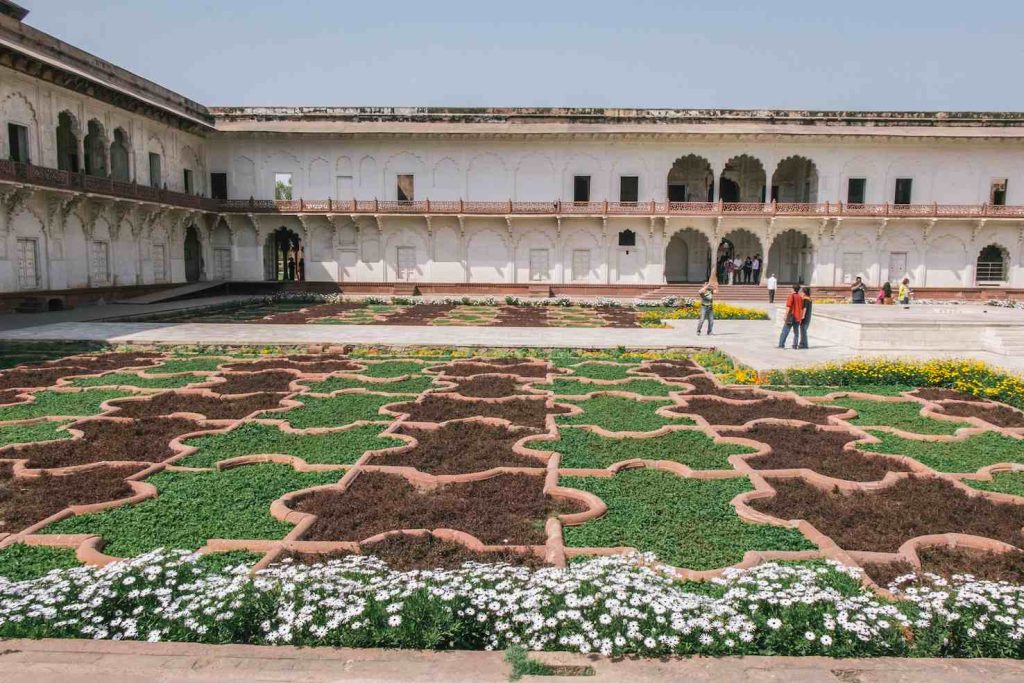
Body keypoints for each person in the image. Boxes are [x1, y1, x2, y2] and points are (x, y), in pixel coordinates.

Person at [778, 284, 804, 349]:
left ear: (793, 289)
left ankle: (781, 344)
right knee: (796, 332)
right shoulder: (800, 297)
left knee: (785, 331)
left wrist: (785, 315)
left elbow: (788, 306)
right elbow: (801, 308)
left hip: (791, 316)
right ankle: (795, 345)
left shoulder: (791, 296)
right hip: (798, 317)